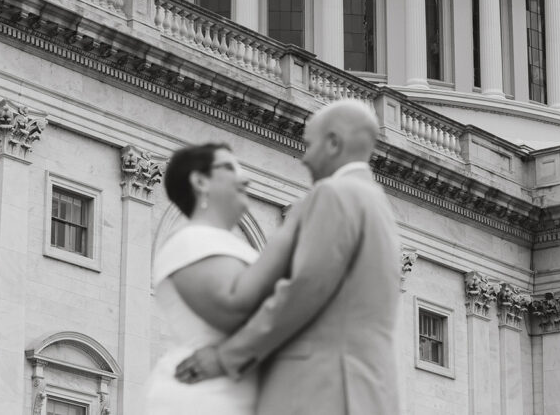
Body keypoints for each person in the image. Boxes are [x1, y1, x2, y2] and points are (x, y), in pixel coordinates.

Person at [175, 98, 402, 415]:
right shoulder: (379, 207)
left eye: (309, 145)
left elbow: (305, 289)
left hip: (320, 389)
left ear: (334, 143)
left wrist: (226, 356)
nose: (304, 158)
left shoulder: (333, 194)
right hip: (366, 391)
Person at [145, 143, 298, 415]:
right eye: (229, 167)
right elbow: (239, 312)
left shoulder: (231, 246)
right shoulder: (189, 241)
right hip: (205, 398)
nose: (245, 178)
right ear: (200, 181)